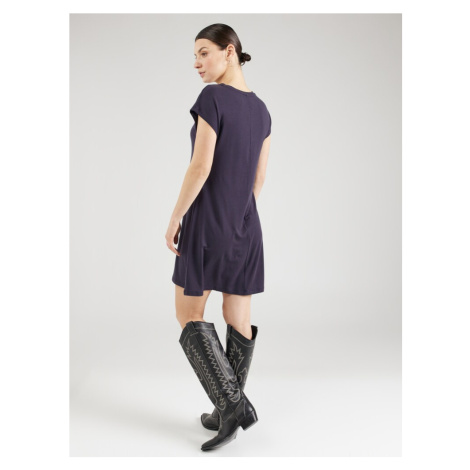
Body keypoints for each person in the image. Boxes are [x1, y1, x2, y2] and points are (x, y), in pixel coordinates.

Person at [165, 23, 272, 451]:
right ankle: (229, 404)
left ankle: (231, 406)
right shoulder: (262, 110)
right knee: (237, 317)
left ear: (230, 52)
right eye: (195, 55)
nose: (197, 63)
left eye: (204, 52)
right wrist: (238, 215)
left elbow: (200, 166)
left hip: (208, 221)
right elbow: (258, 180)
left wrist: (177, 215)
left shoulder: (212, 98)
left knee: (189, 313)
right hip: (245, 224)